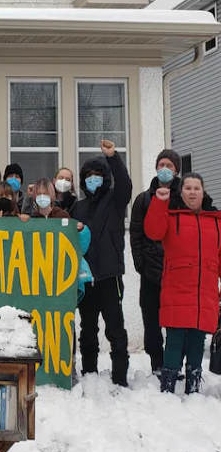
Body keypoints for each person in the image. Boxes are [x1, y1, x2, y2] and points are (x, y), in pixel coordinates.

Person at [144, 173, 221, 394]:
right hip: (177, 290)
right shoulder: (171, 216)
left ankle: (193, 387)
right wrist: (159, 202)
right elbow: (153, 231)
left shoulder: (216, 222)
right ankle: (167, 388)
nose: (192, 192)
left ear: (203, 191)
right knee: (175, 340)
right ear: (181, 192)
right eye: (188, 188)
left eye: (197, 188)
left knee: (198, 341)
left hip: (204, 292)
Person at [71, 140, 132, 387]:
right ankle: (90, 372)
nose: (93, 179)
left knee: (115, 329)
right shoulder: (78, 206)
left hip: (110, 276)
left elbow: (125, 185)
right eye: (88, 176)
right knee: (87, 330)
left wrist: (113, 157)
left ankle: (120, 377)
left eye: (97, 175)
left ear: (105, 178)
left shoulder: (116, 201)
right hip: (86, 278)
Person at [130, 149, 182, 376]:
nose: (165, 169)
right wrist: (140, 263)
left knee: (176, 322)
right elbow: (136, 233)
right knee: (151, 320)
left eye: (170, 165)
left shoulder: (183, 196)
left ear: (177, 170)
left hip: (177, 272)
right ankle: (157, 364)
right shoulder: (143, 199)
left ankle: (173, 364)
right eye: (162, 164)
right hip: (150, 271)